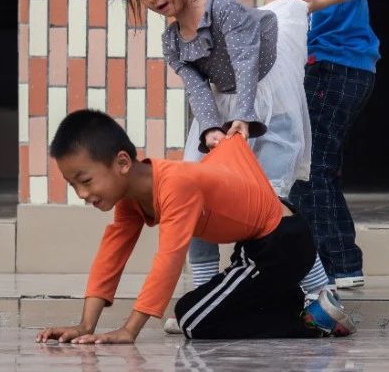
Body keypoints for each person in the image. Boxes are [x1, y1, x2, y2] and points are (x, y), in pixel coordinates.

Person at [110, 0, 349, 327]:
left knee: (267, 203)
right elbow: (199, 90)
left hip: (264, 98)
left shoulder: (222, 7)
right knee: (192, 192)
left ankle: (320, 290)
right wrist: (212, 131)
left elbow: (245, 62)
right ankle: (204, 288)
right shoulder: (172, 41)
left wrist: (244, 118)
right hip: (222, 108)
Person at [36, 109, 351, 342]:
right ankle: (283, 302)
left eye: (85, 181)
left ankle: (310, 323)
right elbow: (112, 253)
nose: (82, 194)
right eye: (73, 185)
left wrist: (129, 330)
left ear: (122, 163)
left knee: (192, 317)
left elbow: (170, 258)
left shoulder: (176, 184)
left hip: (281, 244)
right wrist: (84, 326)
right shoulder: (132, 197)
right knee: (201, 310)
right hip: (257, 248)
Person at [265, 0, 379, 288]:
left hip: (339, 64)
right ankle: (331, 264)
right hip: (318, 65)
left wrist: (314, 4)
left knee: (312, 166)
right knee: (309, 165)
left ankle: (340, 265)